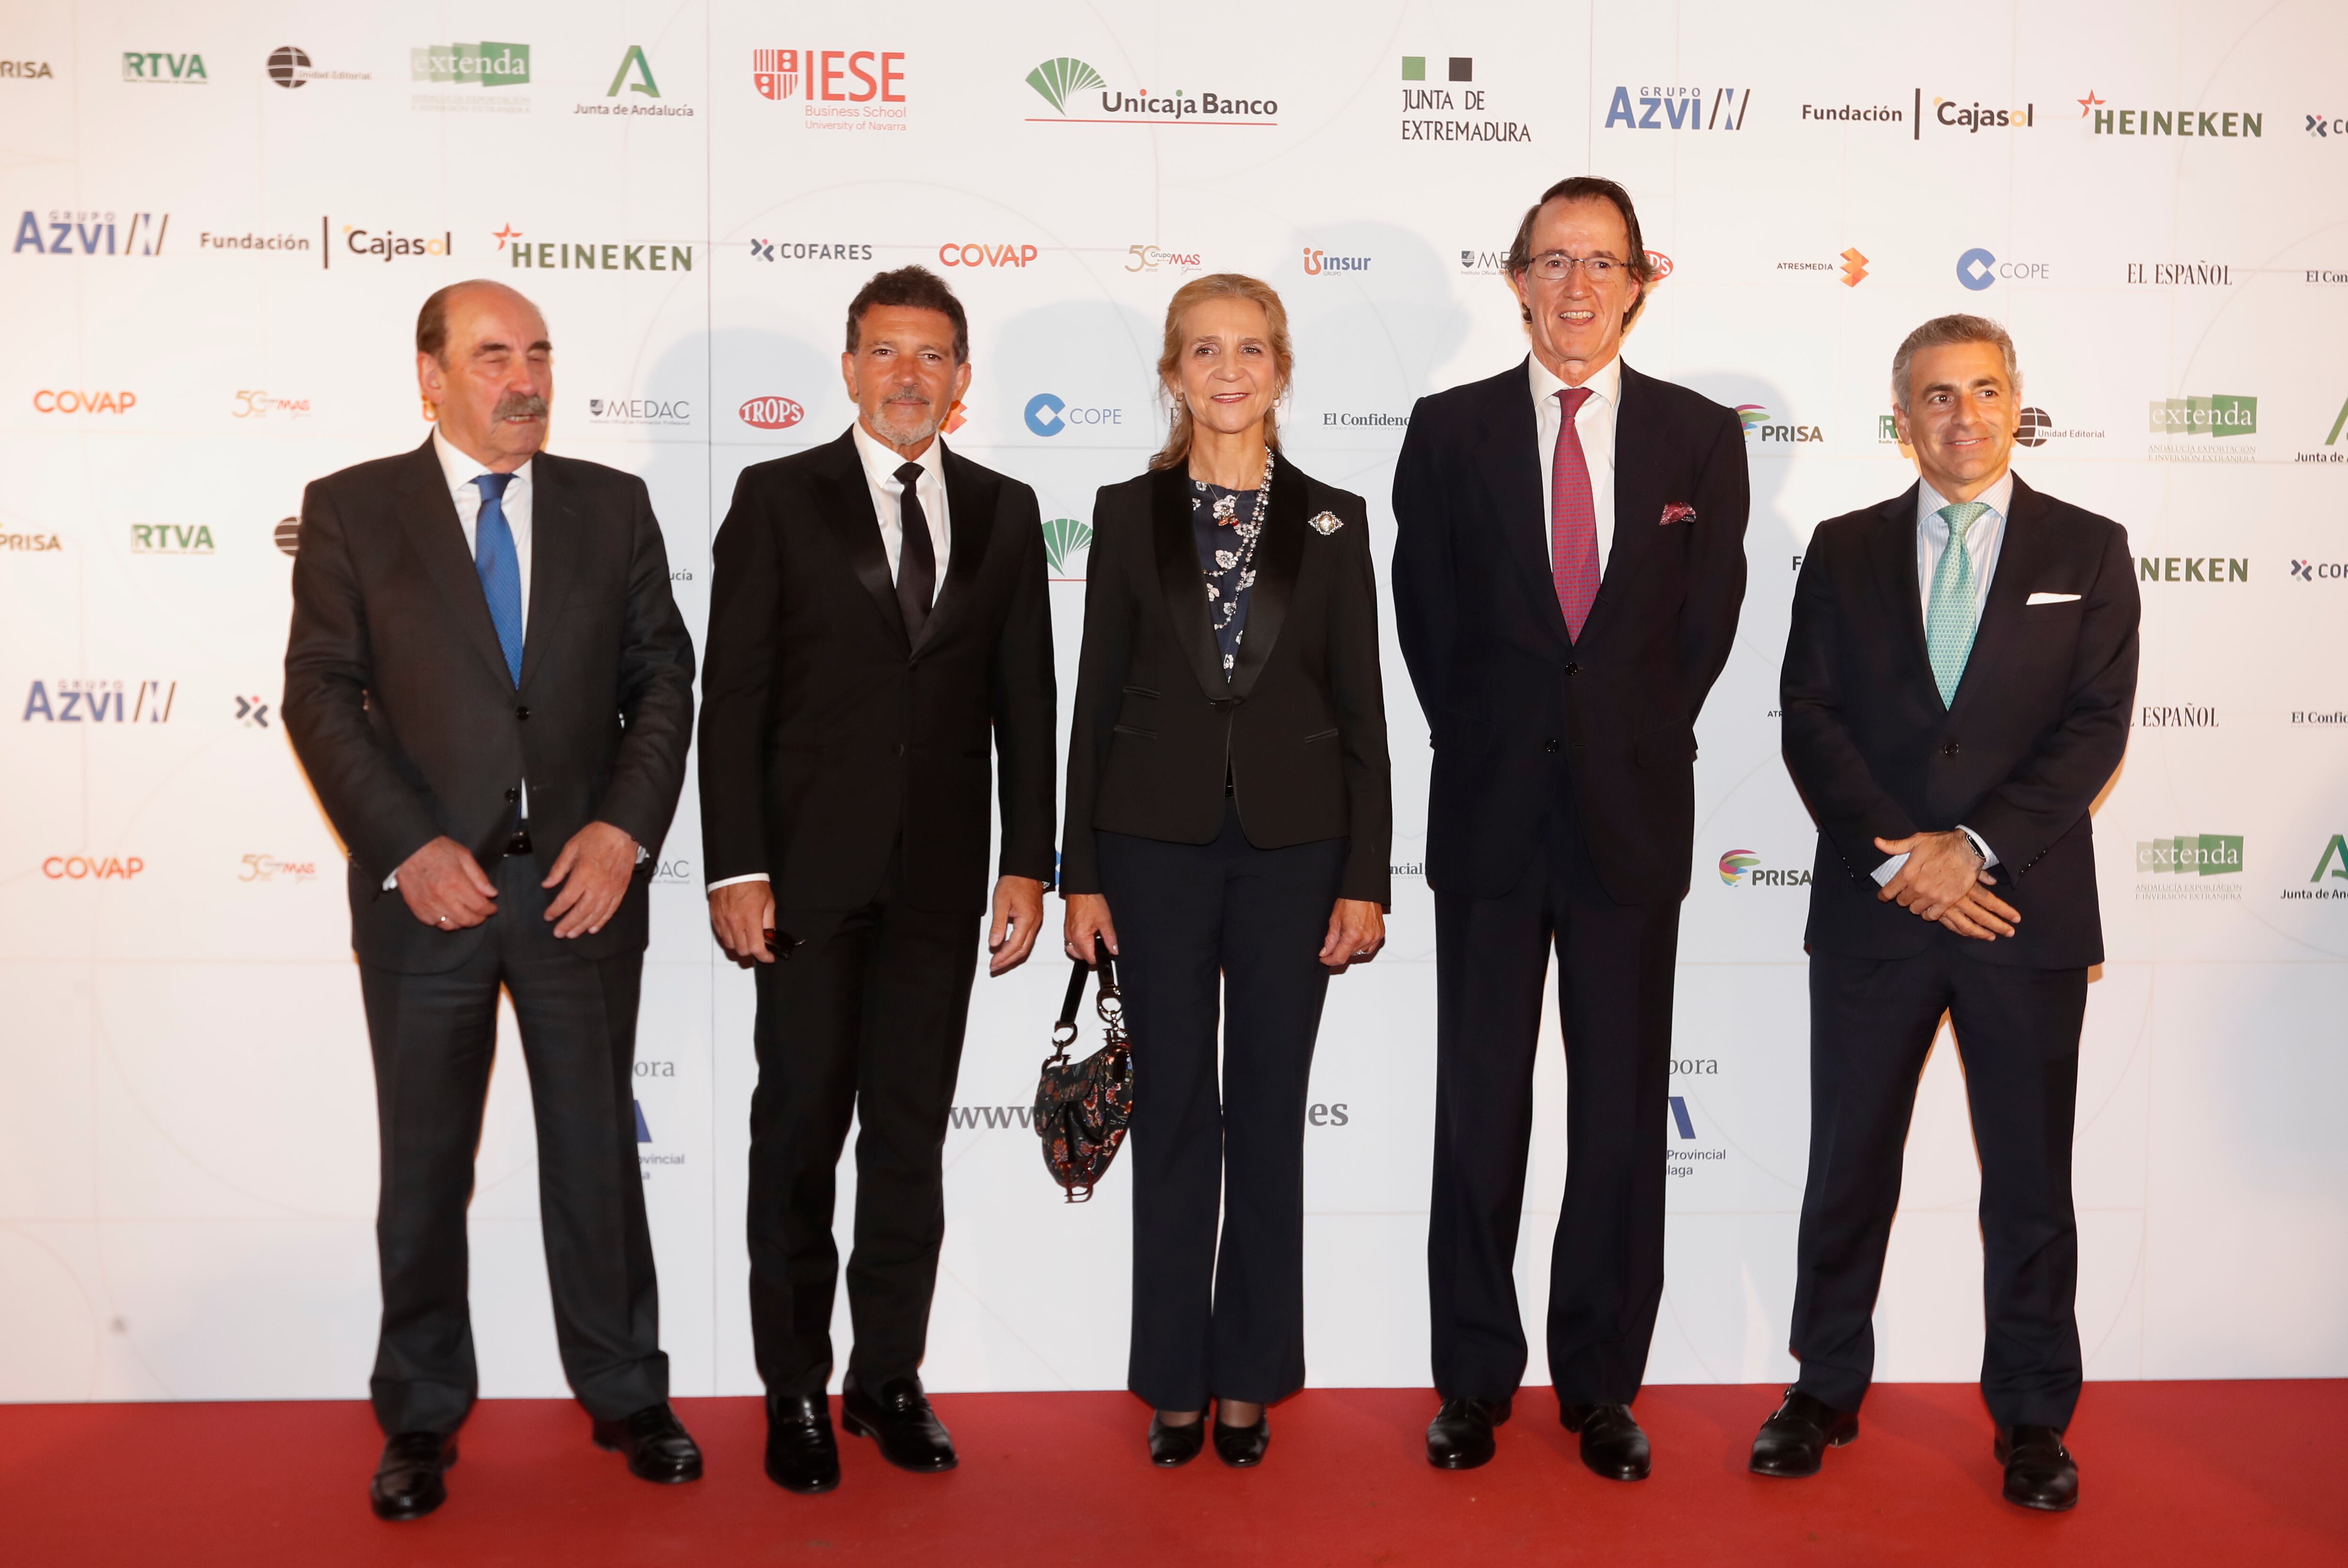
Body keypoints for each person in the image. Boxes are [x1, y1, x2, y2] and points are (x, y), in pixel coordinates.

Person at [282, 280, 699, 1521]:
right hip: (428, 900)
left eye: (539, 355)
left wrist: (625, 830)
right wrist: (410, 846)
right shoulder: (352, 510)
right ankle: (416, 1418)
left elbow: (662, 682)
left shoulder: (612, 508)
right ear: (432, 375)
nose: (525, 380)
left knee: (594, 1162)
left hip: (581, 896)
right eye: (493, 357)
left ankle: (627, 1393)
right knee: (422, 1171)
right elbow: (320, 694)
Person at [1392, 177, 1749, 1476]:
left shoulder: (1703, 440)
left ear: (1642, 279)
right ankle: (1473, 1382)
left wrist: (1611, 735)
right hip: (1489, 812)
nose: (1579, 287)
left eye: (1604, 263)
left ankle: (1602, 1384)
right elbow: (1425, 620)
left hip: (1629, 820)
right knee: (1479, 1108)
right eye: (1555, 262)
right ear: (1517, 280)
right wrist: (1500, 734)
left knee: (1613, 1115)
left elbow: (1700, 636)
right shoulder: (1447, 431)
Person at [1756, 315, 2138, 1513]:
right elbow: (1807, 716)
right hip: (1873, 912)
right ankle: (1822, 1387)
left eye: (1981, 392)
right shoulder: (1840, 547)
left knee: (2027, 1180)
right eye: (1934, 396)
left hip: (2020, 915)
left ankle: (2031, 1417)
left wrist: (1968, 853)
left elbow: (2092, 730)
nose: (1960, 418)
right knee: (1846, 1164)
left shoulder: (2091, 546)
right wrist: (1900, 862)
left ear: (2016, 401)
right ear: (1898, 414)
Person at [698, 266, 1057, 1495]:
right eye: (887, 354)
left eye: (933, 357)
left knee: (909, 1139)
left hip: (943, 887)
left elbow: (1029, 704)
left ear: (962, 380)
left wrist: (1029, 860)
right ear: (849, 368)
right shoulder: (777, 496)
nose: (910, 377)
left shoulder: (1009, 511)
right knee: (797, 1133)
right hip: (801, 881)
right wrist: (735, 864)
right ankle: (793, 1389)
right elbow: (733, 695)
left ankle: (887, 1378)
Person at [1061, 274, 1391, 1470]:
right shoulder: (1121, 510)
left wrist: (1367, 873)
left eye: (1249, 348)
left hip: (1295, 856)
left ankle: (1249, 1375)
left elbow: (1363, 708)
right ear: (1172, 371)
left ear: (1281, 367)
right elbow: (1093, 698)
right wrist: (1078, 871)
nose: (1227, 370)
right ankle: (1173, 1380)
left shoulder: (1334, 518)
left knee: (1264, 1118)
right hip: (1149, 852)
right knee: (1176, 1124)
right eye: (1203, 350)